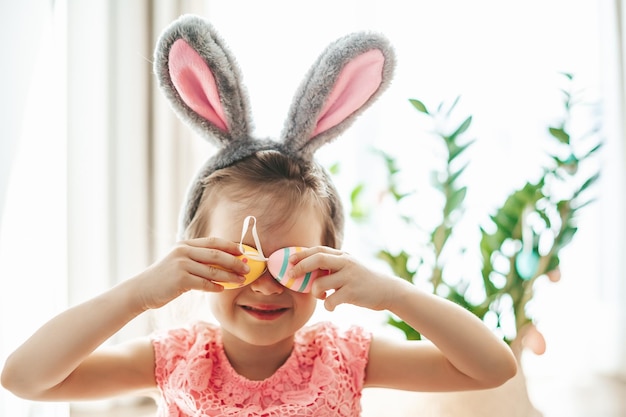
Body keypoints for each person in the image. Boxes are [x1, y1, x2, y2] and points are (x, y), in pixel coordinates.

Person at [1, 14, 517, 416]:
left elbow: (491, 368)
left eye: (292, 263)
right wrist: (139, 292)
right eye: (240, 260)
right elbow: (24, 377)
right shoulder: (174, 359)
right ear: (195, 259)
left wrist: (392, 294)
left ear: (330, 263)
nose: (268, 287)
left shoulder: (346, 358)